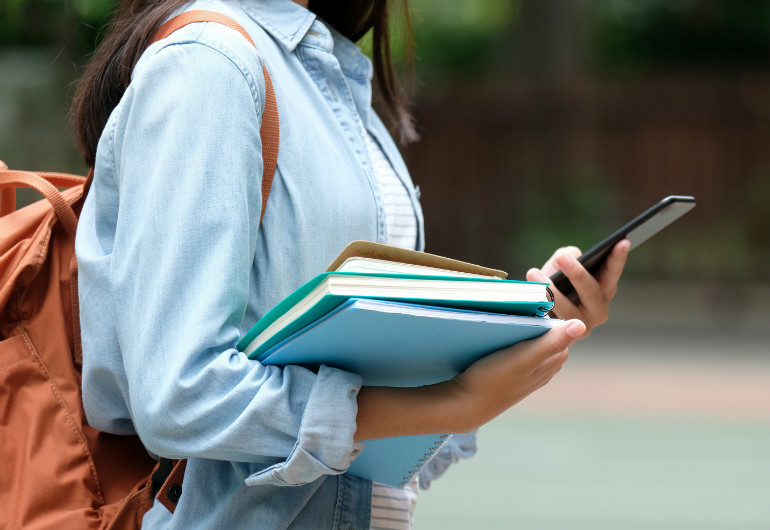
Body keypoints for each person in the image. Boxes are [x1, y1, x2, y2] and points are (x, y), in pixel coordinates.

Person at [71, 0, 629, 528]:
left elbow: (367, 452)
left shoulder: (322, 69)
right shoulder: (210, 64)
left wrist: (525, 328)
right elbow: (181, 395)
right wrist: (448, 403)